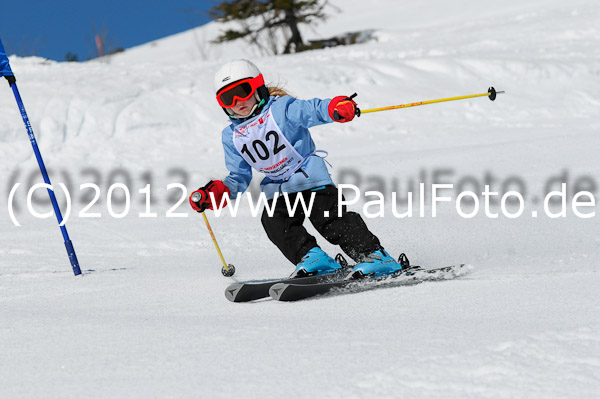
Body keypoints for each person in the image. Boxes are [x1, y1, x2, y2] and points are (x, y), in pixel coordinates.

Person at [189, 59, 402, 278]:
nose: (237, 102)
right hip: (278, 190)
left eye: (242, 91)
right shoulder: (232, 136)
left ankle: (374, 255)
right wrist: (216, 193)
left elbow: (313, 110)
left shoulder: (281, 109)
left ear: (257, 87)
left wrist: (335, 107)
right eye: (227, 98)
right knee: (274, 222)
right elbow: (238, 177)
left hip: (310, 179)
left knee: (330, 220)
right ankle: (313, 258)